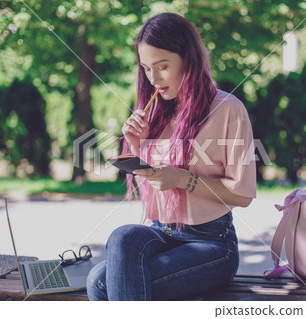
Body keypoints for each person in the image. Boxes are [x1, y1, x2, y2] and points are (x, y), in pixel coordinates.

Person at [86, 12, 256, 301]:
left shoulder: (228, 109)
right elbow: (157, 184)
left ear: (188, 60)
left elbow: (242, 196)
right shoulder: (156, 112)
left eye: (162, 66)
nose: (153, 79)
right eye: (146, 68)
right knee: (121, 240)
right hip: (160, 233)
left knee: (102, 284)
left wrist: (183, 179)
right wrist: (137, 147)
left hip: (211, 243)